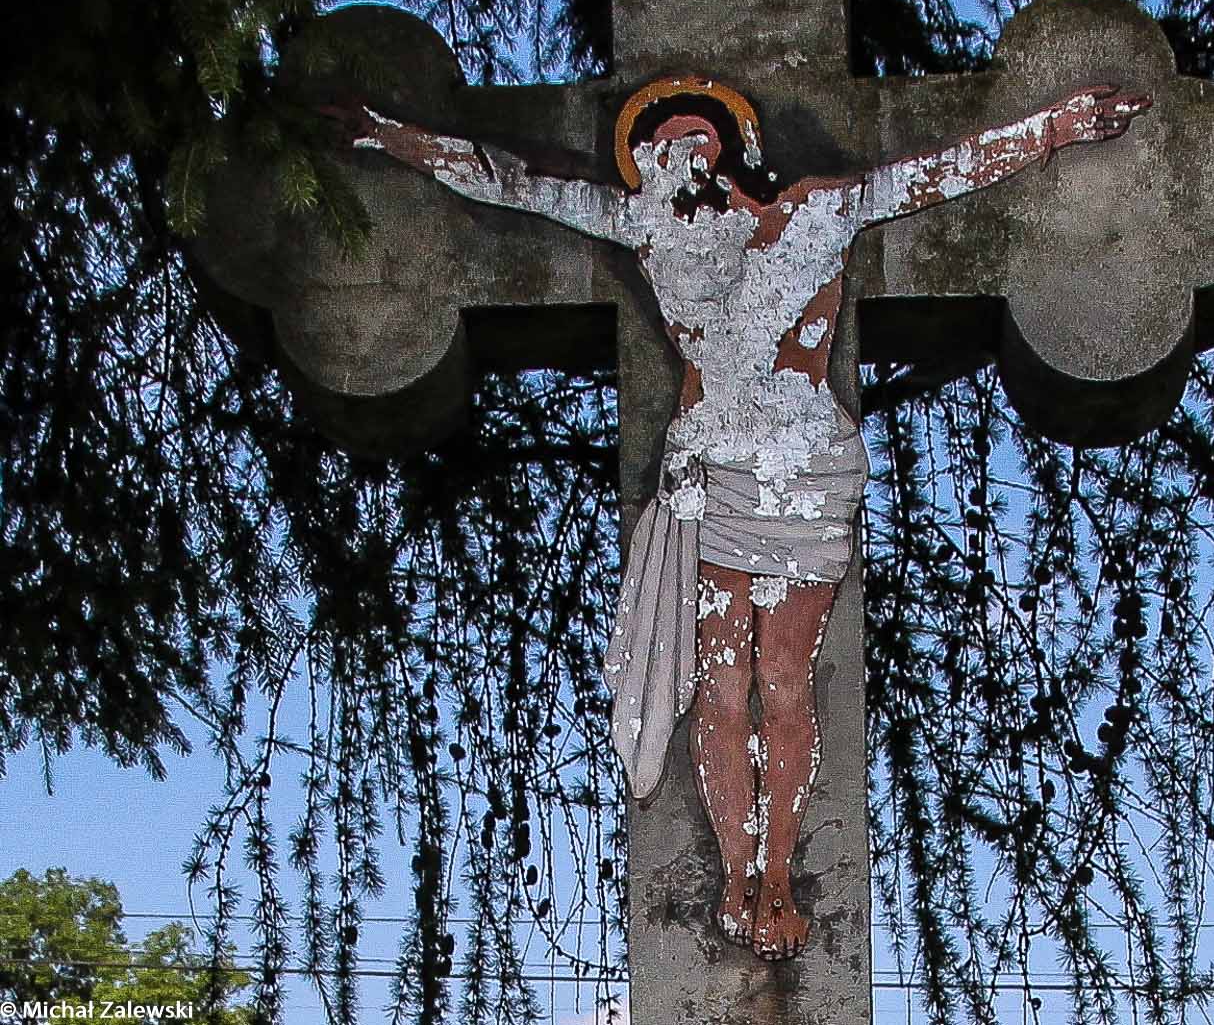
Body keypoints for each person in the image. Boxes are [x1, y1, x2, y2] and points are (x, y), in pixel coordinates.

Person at [330, 76, 1149, 960]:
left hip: (804, 472)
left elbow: (943, 171)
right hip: (713, 476)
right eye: (657, 148)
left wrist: (1055, 127)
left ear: (733, 149)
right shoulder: (647, 228)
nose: (676, 159)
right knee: (721, 686)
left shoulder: (820, 211)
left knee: (784, 680)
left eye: (693, 139)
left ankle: (779, 873)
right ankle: (735, 871)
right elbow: (511, 183)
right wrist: (384, 130)